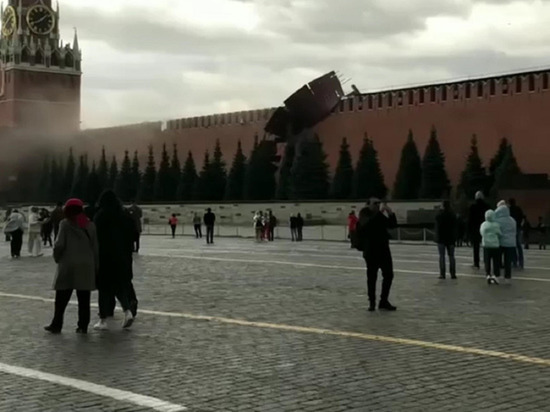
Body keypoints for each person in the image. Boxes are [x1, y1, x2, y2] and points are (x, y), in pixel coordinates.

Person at [44, 199, 98, 334]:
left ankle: (57, 324)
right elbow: (95, 247)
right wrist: (95, 265)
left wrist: (57, 258)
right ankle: (83, 326)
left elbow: (59, 245)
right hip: (86, 265)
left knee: (61, 298)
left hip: (68, 264)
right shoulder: (89, 224)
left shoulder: (65, 224)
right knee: (84, 299)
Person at [93, 190, 135, 330]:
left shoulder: (101, 216)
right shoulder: (124, 216)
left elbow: (96, 237)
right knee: (119, 286)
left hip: (105, 256)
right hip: (122, 257)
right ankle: (127, 311)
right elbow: (133, 234)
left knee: (103, 289)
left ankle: (103, 320)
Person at [355, 199, 398, 312]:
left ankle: (383, 300)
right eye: (375, 203)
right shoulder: (364, 214)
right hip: (371, 251)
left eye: (379, 203)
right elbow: (367, 225)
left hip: (384, 249)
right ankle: (372, 302)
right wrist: (379, 213)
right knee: (372, 277)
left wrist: (390, 213)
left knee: (389, 275)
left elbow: (392, 225)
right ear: (368, 204)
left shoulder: (378, 215)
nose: (378, 205)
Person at [494, 202, 517, 284]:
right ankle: (508, 277)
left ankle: (497, 276)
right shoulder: (512, 220)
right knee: (508, 262)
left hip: (500, 242)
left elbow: (496, 231)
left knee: (497, 260)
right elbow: (514, 232)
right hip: (511, 243)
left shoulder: (497, 220)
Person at [435, 200, 457, 280]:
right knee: (451, 256)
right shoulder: (452, 215)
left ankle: (442, 273)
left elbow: (437, 223)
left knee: (442, 256)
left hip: (441, 238)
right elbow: (455, 226)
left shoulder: (439, 215)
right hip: (450, 238)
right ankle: (453, 273)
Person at [468, 191, 490, 269]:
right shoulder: (487, 206)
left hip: (475, 229)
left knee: (476, 247)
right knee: (486, 246)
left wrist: (469, 231)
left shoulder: (473, 207)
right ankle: (487, 262)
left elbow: (470, 220)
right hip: (486, 228)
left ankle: (476, 263)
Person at [480, 210, 502, 285]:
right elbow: (499, 234)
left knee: (487, 261)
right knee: (496, 261)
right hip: (495, 245)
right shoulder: (496, 225)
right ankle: (496, 275)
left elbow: (481, 233)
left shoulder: (484, 224)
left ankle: (488, 274)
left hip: (486, 245)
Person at [508, 198, 525, 269]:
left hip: (512, 228)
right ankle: (521, 262)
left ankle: (514, 261)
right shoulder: (518, 209)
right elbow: (522, 217)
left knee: (513, 245)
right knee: (518, 245)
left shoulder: (509, 210)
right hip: (518, 227)